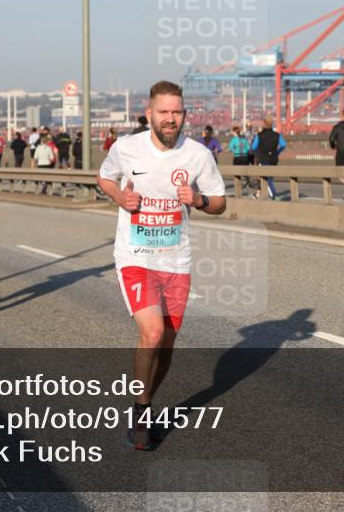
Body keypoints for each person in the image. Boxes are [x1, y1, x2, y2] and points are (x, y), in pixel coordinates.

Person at [96, 80, 226, 450]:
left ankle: (146, 400)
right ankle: (141, 413)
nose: (170, 119)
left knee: (166, 344)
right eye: (164, 112)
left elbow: (220, 203)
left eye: (176, 112)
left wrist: (198, 200)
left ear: (184, 115)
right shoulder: (126, 148)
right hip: (135, 257)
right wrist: (121, 197)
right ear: (149, 113)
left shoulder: (198, 155)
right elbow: (104, 177)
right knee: (152, 333)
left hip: (176, 261)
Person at [251, 117, 286, 200]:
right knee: (269, 177)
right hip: (273, 159)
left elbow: (254, 147)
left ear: (264, 123)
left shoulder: (259, 135)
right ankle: (258, 194)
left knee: (266, 178)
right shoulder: (277, 135)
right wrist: (277, 152)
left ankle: (273, 195)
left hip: (262, 159)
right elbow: (283, 145)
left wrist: (259, 152)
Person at [328, 110, 344, 200]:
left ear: (342, 116)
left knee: (338, 173)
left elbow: (331, 139)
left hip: (341, 151)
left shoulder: (337, 127)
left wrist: (333, 146)